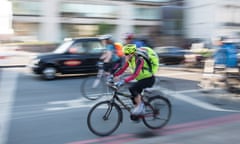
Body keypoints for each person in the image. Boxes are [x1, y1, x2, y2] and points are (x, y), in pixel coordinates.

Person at [114, 44, 156, 115]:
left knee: (133, 88)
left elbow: (135, 74)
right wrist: (113, 75)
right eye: (125, 54)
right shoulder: (130, 60)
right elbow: (122, 69)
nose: (125, 55)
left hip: (148, 79)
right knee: (133, 94)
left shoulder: (139, 60)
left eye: (126, 54)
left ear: (132, 54)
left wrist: (123, 81)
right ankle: (138, 111)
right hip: (141, 79)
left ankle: (140, 107)